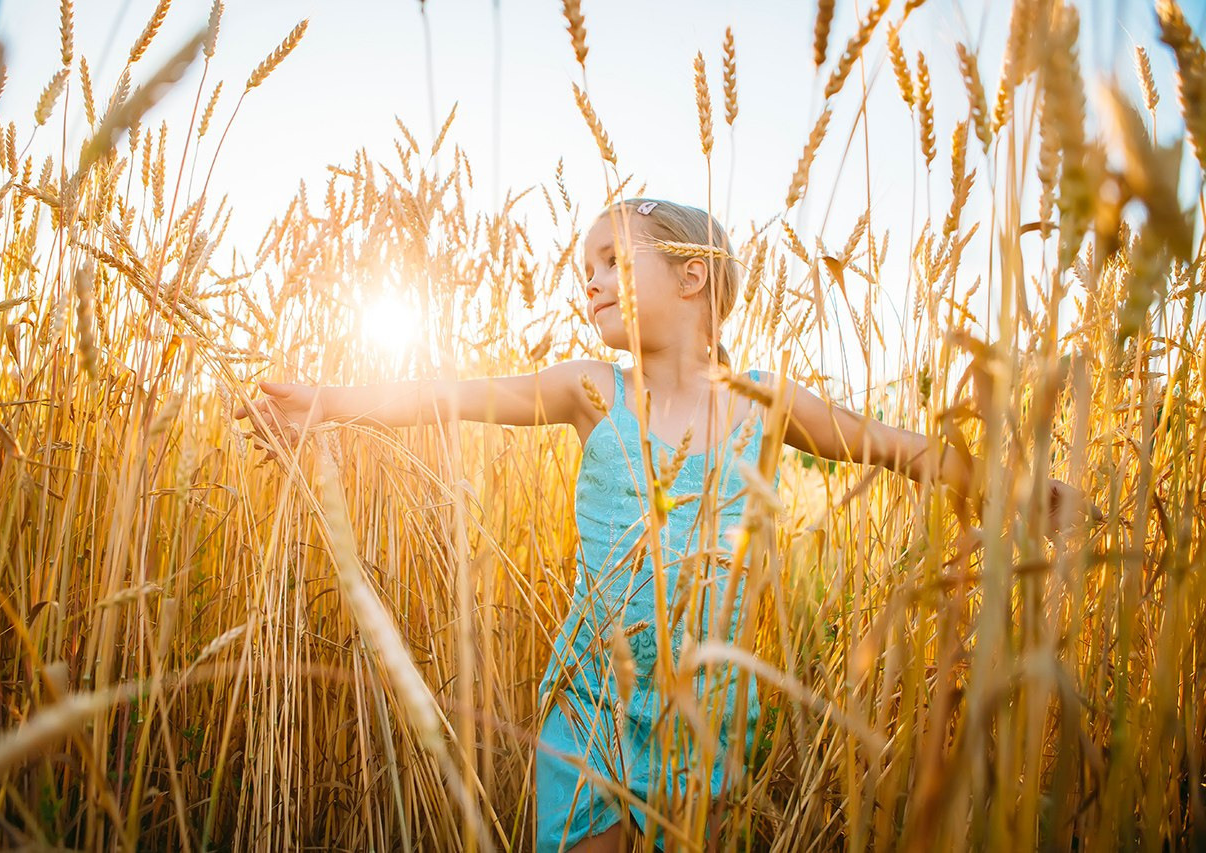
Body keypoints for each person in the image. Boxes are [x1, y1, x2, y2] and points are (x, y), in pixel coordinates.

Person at [234, 197, 1092, 853]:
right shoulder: (591, 391)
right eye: (587, 271)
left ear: (691, 274)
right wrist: (327, 404)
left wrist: (1018, 493)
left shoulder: (765, 400)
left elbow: (894, 449)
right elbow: (443, 396)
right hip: (592, 697)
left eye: (611, 260)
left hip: (705, 704)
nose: (592, 281)